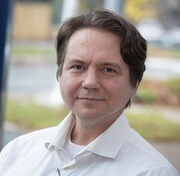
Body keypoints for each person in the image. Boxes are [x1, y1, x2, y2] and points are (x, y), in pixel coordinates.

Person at [0, 9, 179, 176]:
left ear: (135, 82)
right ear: (60, 73)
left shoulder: (153, 172)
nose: (90, 82)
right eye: (78, 67)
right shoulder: (16, 152)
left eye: (108, 69)